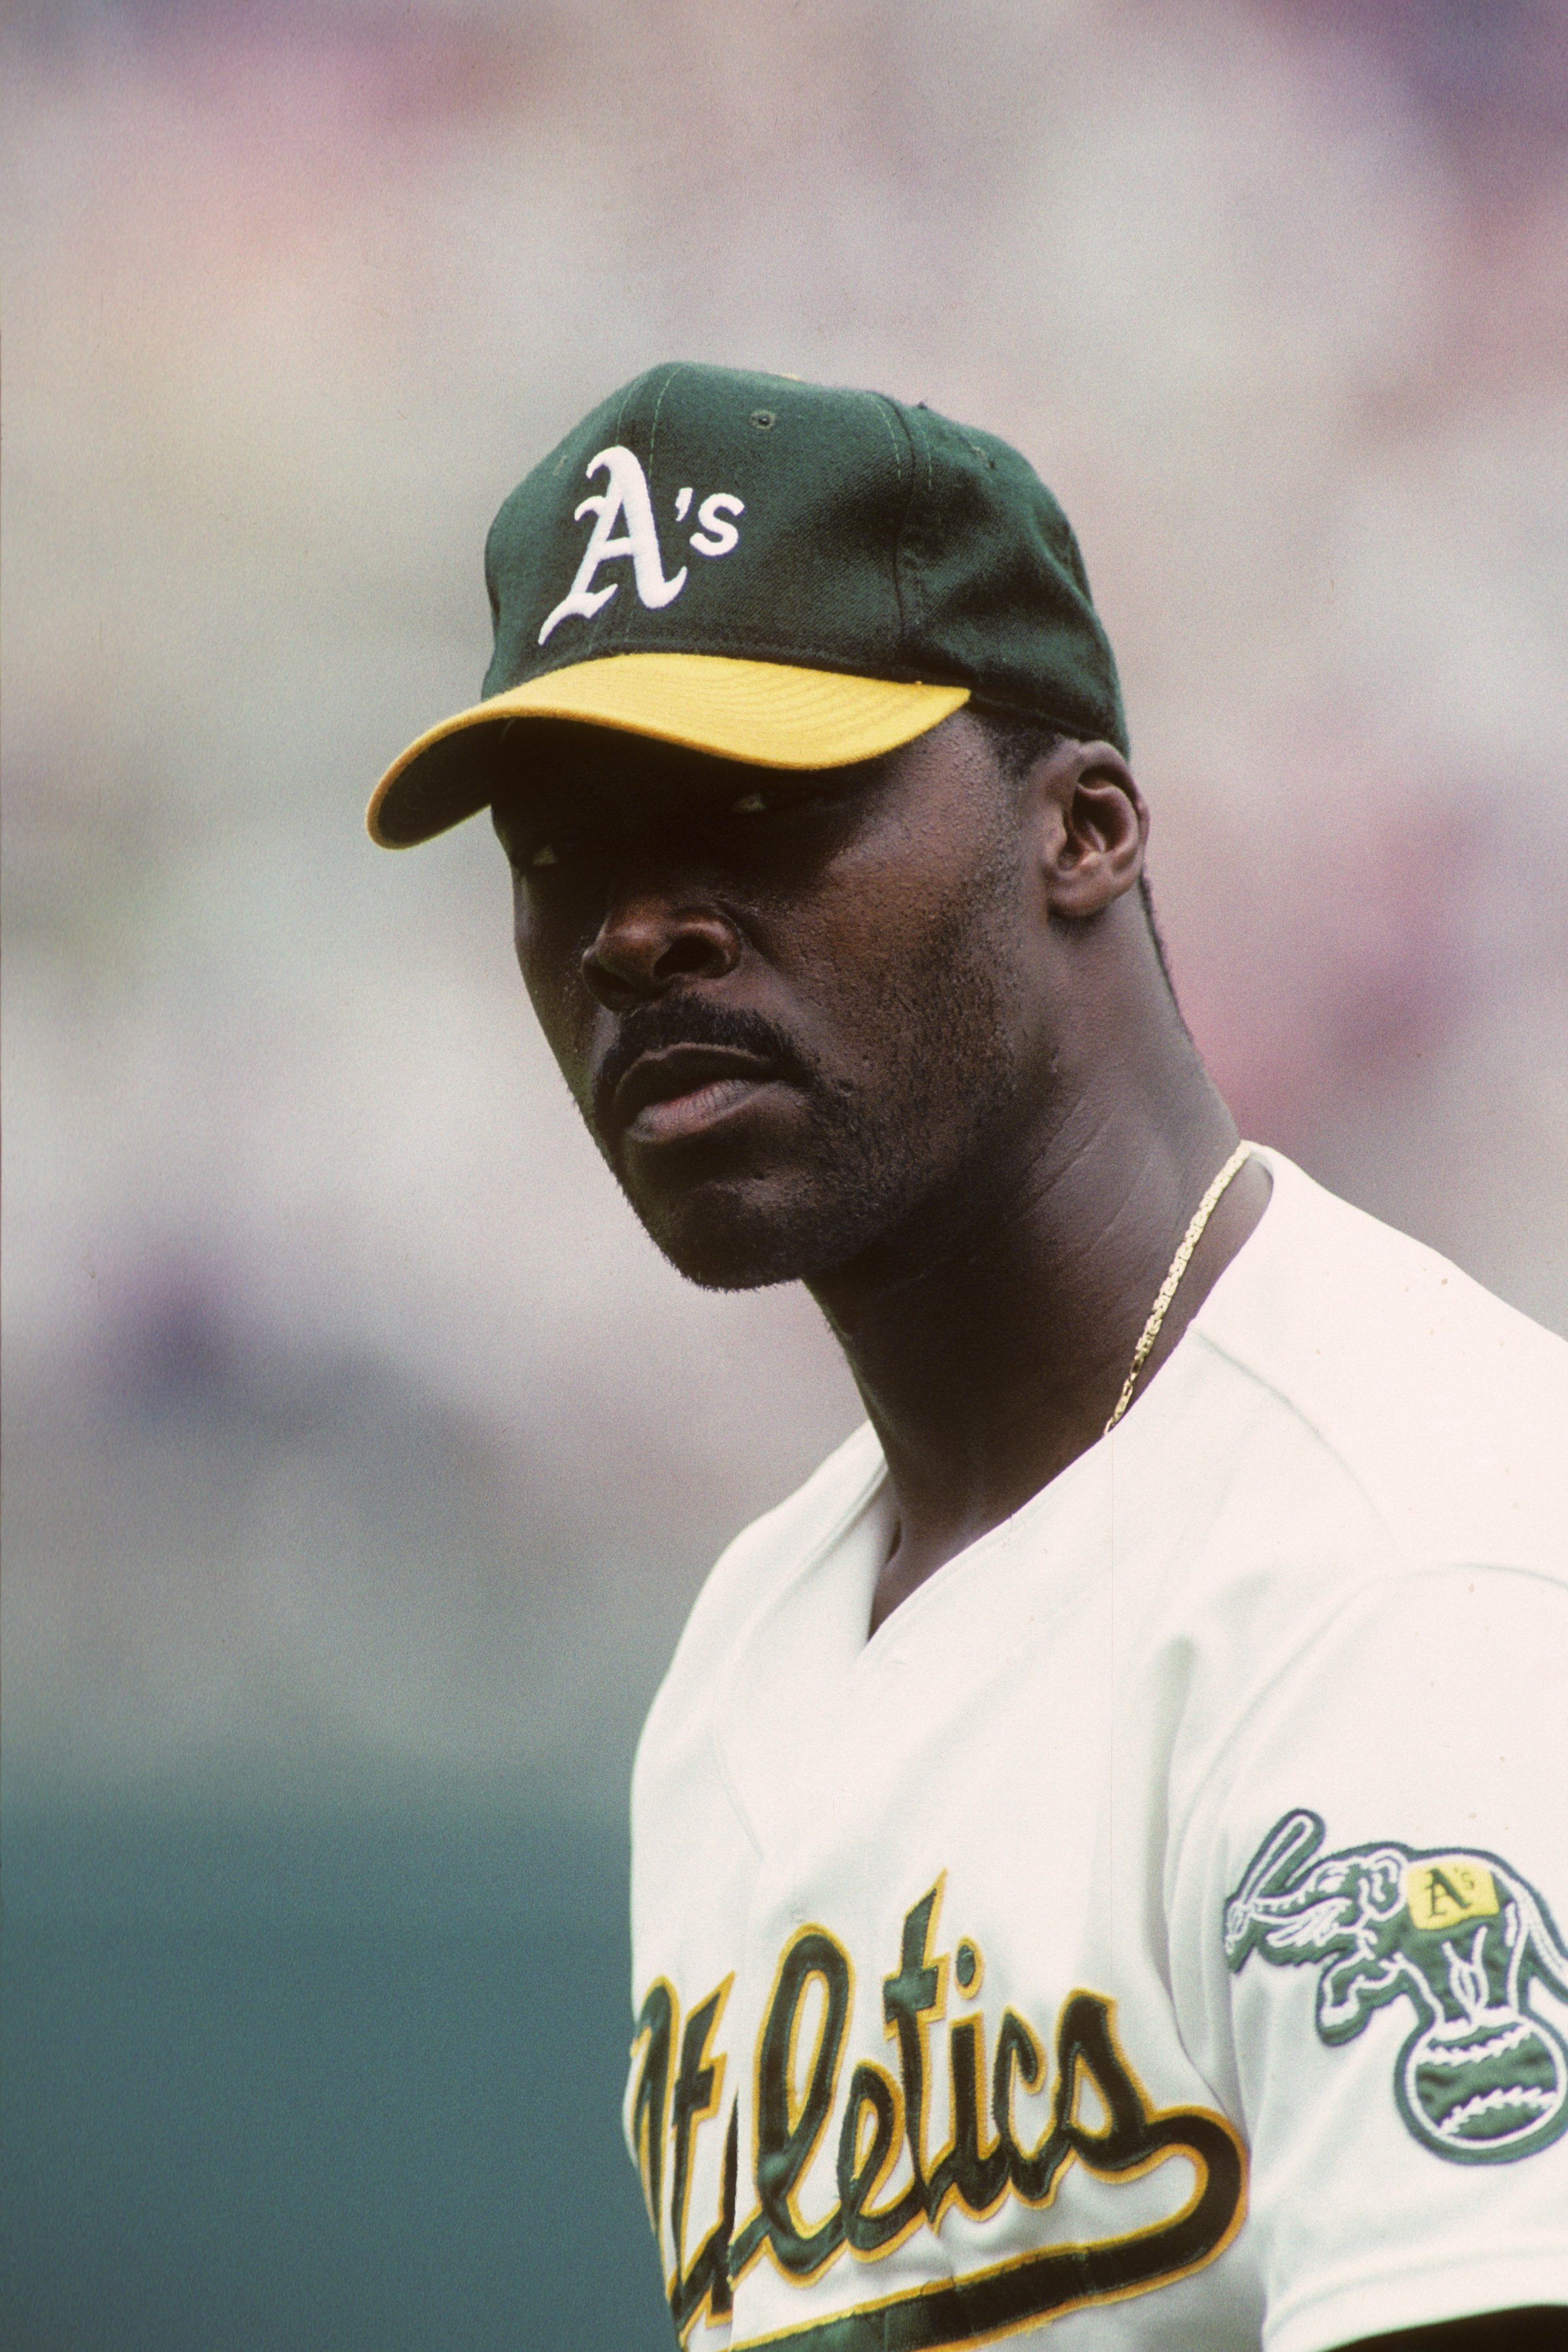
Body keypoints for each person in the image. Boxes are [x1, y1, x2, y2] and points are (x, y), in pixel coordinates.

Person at [367, 363, 1567, 2351]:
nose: (635, 932)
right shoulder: (756, 1640)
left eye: (759, 804)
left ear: (1083, 827)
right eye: (564, 850)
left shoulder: (1413, 1568)